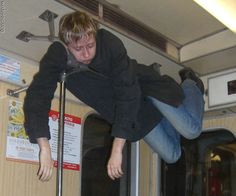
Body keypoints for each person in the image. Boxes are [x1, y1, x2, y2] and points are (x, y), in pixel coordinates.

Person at [24, 11, 204, 182]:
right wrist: (45, 147)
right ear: (67, 45)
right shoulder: (57, 55)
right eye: (78, 49)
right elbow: (37, 97)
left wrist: (117, 149)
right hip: (137, 113)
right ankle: (167, 115)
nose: (86, 54)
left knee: (191, 130)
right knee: (172, 156)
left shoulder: (109, 43)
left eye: (90, 46)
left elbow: (127, 93)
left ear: (95, 37)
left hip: (146, 89)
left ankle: (190, 83)